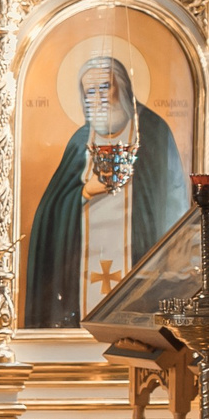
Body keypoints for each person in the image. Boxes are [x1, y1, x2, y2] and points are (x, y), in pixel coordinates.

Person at [22, 55, 187, 326]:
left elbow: (173, 201)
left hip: (140, 257)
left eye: (104, 87)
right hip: (83, 263)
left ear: (122, 88)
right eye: (90, 91)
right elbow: (50, 211)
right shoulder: (80, 141)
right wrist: (85, 192)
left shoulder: (154, 132)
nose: (97, 98)